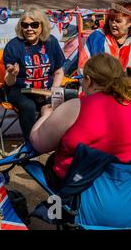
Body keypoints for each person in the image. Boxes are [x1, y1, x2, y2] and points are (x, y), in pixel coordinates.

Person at [30, 53, 131, 190]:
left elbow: (39, 143)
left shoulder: (76, 107)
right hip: (121, 186)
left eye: (82, 79)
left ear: (88, 80)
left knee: (52, 162)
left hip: (78, 186)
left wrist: (45, 116)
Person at [3, 7, 65, 141]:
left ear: (42, 26)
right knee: (28, 106)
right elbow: (9, 82)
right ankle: (31, 142)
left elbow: (59, 72)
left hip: (45, 90)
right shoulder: (13, 46)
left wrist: (53, 91)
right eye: (25, 25)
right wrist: (12, 73)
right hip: (20, 90)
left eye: (34, 25)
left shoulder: (51, 42)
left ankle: (53, 141)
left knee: (61, 101)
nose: (29, 29)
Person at [79, 2, 131, 73]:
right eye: (111, 20)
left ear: (129, 23)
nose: (113, 24)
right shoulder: (97, 36)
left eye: (118, 21)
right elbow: (83, 65)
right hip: (100, 83)